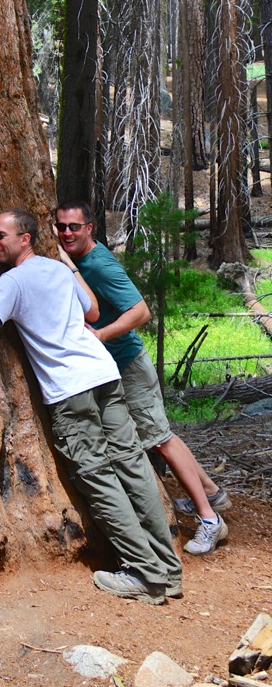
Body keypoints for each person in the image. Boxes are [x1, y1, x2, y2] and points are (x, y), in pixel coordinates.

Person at [0, 208, 182, 603]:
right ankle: (168, 571)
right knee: (132, 464)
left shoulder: (15, 282)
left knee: (98, 474)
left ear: (25, 239)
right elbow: (92, 311)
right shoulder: (57, 270)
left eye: (1, 236)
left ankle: (146, 575)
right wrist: (69, 266)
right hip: (104, 374)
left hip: (71, 389)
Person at [54, 202, 229, 556]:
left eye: (75, 226)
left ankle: (210, 520)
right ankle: (211, 491)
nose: (67, 233)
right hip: (116, 366)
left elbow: (141, 311)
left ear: (90, 228)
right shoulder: (80, 262)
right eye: (61, 227)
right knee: (160, 434)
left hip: (129, 363)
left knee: (159, 439)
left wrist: (101, 336)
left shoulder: (99, 266)